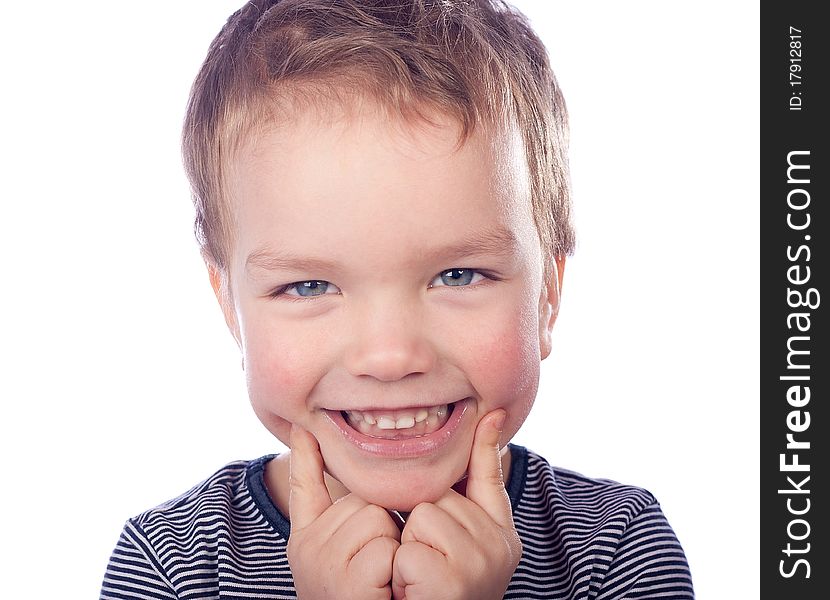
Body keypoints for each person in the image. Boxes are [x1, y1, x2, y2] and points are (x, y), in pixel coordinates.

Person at [101, 0, 694, 597]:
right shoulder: (171, 564)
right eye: (309, 286)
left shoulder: (618, 546)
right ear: (231, 306)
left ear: (548, 294)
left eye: (459, 275)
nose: (389, 356)